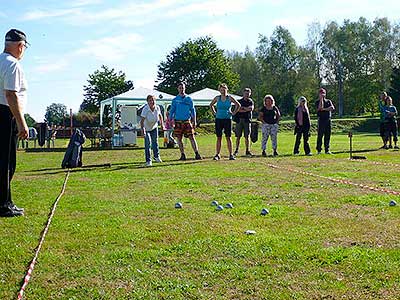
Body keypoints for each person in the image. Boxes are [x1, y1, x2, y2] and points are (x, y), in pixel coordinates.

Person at [0, 29, 29, 217]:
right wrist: (21, 123)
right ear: (20, 46)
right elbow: (11, 95)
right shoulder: (12, 64)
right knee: (6, 162)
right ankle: (4, 204)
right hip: (5, 115)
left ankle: (5, 201)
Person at [169, 82, 202, 161]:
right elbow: (172, 111)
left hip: (187, 121)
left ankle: (197, 153)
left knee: (192, 137)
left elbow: (193, 110)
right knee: (179, 139)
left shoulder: (189, 99)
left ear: (185, 88)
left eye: (183, 88)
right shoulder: (175, 100)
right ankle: (182, 154)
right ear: (178, 89)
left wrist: (194, 120)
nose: (181, 89)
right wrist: (170, 120)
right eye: (180, 88)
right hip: (178, 121)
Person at [209, 83, 241, 160]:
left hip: (227, 119)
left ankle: (231, 154)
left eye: (224, 89)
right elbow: (211, 105)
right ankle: (217, 154)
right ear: (219, 90)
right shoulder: (217, 98)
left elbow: (238, 105)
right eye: (221, 89)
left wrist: (233, 113)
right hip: (218, 119)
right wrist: (214, 113)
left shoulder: (229, 98)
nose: (223, 90)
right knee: (219, 137)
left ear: (227, 89)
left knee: (228, 137)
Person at [140, 95, 164, 167]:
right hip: (146, 128)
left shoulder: (157, 107)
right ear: (147, 102)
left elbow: (160, 116)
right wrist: (142, 130)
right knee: (148, 144)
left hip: (154, 127)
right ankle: (148, 161)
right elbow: (142, 121)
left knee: (155, 142)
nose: (152, 102)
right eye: (150, 100)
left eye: (153, 100)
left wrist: (162, 125)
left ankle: (156, 156)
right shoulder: (145, 109)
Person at [233, 87, 254, 157]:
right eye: (246, 93)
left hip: (247, 120)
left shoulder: (250, 101)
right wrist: (245, 109)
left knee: (247, 136)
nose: (247, 95)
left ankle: (247, 150)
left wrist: (243, 108)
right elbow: (238, 109)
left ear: (250, 94)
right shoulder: (239, 101)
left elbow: (251, 109)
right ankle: (236, 149)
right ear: (243, 94)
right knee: (238, 136)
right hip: (239, 120)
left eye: (248, 93)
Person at [315, 88, 335, 154]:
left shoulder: (328, 101)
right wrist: (321, 100)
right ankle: (319, 150)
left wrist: (324, 109)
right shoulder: (317, 102)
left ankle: (327, 149)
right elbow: (320, 108)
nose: (323, 94)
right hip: (321, 120)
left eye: (323, 93)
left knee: (327, 135)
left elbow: (332, 108)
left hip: (328, 120)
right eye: (321, 93)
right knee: (320, 135)